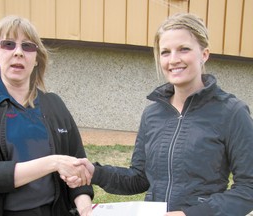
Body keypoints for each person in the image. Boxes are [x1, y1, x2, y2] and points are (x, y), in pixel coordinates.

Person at [67, 13, 253, 216]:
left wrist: (189, 214)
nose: (174, 60)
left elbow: (248, 189)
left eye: (184, 49)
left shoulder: (232, 112)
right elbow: (139, 178)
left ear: (204, 54)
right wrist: (96, 173)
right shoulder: (152, 114)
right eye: (165, 52)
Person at [0, 15, 94, 216]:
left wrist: (86, 209)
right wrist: (53, 163)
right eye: (8, 44)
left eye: (27, 46)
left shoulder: (54, 104)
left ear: (36, 59)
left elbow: (77, 166)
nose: (18, 53)